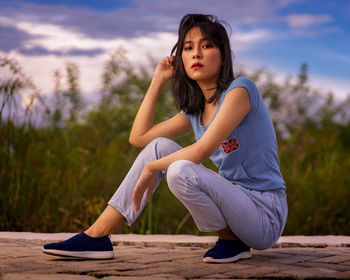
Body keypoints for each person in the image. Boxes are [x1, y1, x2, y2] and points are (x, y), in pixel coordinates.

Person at [42, 13, 287, 263]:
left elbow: (201, 151)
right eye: (188, 48)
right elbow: (139, 137)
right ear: (181, 57)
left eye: (206, 46)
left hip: (265, 212)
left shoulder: (241, 90)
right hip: (235, 202)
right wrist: (157, 80)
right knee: (159, 147)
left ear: (223, 54)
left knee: (179, 170)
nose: (196, 54)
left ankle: (230, 241)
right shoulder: (195, 110)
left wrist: (153, 167)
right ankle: (96, 236)